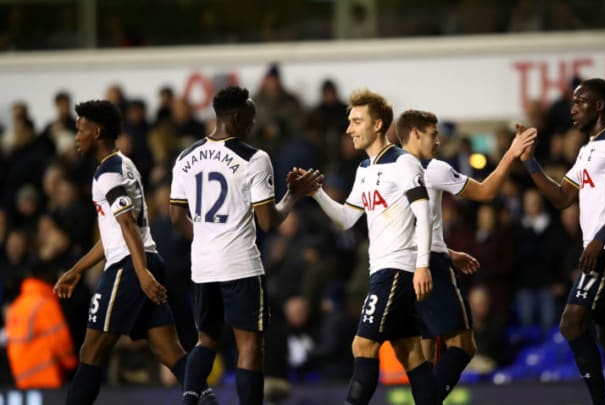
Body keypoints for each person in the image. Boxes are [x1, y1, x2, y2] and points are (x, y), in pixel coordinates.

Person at [53, 100, 217, 405]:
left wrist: (140, 274)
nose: (76, 137)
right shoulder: (125, 164)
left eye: (80, 130)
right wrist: (77, 269)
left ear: (97, 131)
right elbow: (115, 234)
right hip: (144, 260)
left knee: (90, 351)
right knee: (168, 350)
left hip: (129, 267)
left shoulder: (108, 173)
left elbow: (127, 224)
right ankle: (208, 402)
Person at [168, 86, 322, 405]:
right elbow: (268, 222)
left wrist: (207, 239)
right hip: (240, 266)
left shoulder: (185, 158)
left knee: (206, 340)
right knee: (249, 345)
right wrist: (294, 195)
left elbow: (175, 216)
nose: (253, 123)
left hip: (203, 265)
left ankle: (188, 401)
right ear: (237, 117)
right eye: (251, 117)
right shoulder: (254, 158)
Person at [302, 89, 438, 405]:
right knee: (410, 353)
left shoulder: (403, 163)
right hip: (384, 268)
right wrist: (317, 193)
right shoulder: (365, 169)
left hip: (397, 269)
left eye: (356, 121)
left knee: (362, 346)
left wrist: (422, 265)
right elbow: (347, 219)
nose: (349, 128)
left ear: (377, 125)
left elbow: (424, 213)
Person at [519, 78, 605, 405]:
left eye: (580, 102)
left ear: (600, 105)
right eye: (572, 103)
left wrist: (600, 237)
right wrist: (529, 160)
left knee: (572, 323)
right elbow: (562, 198)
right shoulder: (588, 149)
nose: (573, 109)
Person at [395, 109, 536, 399]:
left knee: (423, 352)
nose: (438, 142)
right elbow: (485, 193)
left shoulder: (386, 170)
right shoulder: (433, 169)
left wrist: (447, 249)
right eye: (433, 135)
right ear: (415, 133)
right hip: (430, 266)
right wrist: (510, 153)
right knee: (463, 345)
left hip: (398, 267)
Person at [6, 263, 77, 389]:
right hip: (47, 376)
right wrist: (72, 365)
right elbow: (60, 340)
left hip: (22, 377)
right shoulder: (46, 304)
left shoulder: (17, 305)